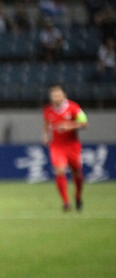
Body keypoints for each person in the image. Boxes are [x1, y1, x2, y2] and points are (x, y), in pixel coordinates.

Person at [41, 84, 88, 212]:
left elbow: (84, 123)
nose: (55, 97)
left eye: (58, 95)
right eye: (53, 95)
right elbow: (46, 123)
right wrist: (45, 136)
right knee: (59, 170)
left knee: (76, 173)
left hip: (72, 145)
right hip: (57, 146)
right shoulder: (48, 110)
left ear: (64, 95)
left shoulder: (74, 108)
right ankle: (66, 202)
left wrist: (69, 126)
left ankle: (78, 196)